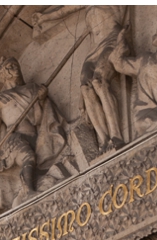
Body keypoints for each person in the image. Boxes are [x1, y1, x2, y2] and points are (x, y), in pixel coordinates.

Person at [33, 6, 126, 152]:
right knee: (85, 88)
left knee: (98, 81)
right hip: (93, 50)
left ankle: (116, 135)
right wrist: (44, 17)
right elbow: (65, 10)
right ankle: (104, 140)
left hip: (112, 40)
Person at [0, 57, 68, 212]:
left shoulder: (33, 89)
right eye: (9, 66)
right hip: (13, 139)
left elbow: (38, 119)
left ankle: (30, 187)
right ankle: (28, 191)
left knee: (34, 156)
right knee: (27, 156)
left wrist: (41, 100)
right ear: (4, 74)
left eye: (15, 65)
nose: (14, 68)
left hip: (35, 136)